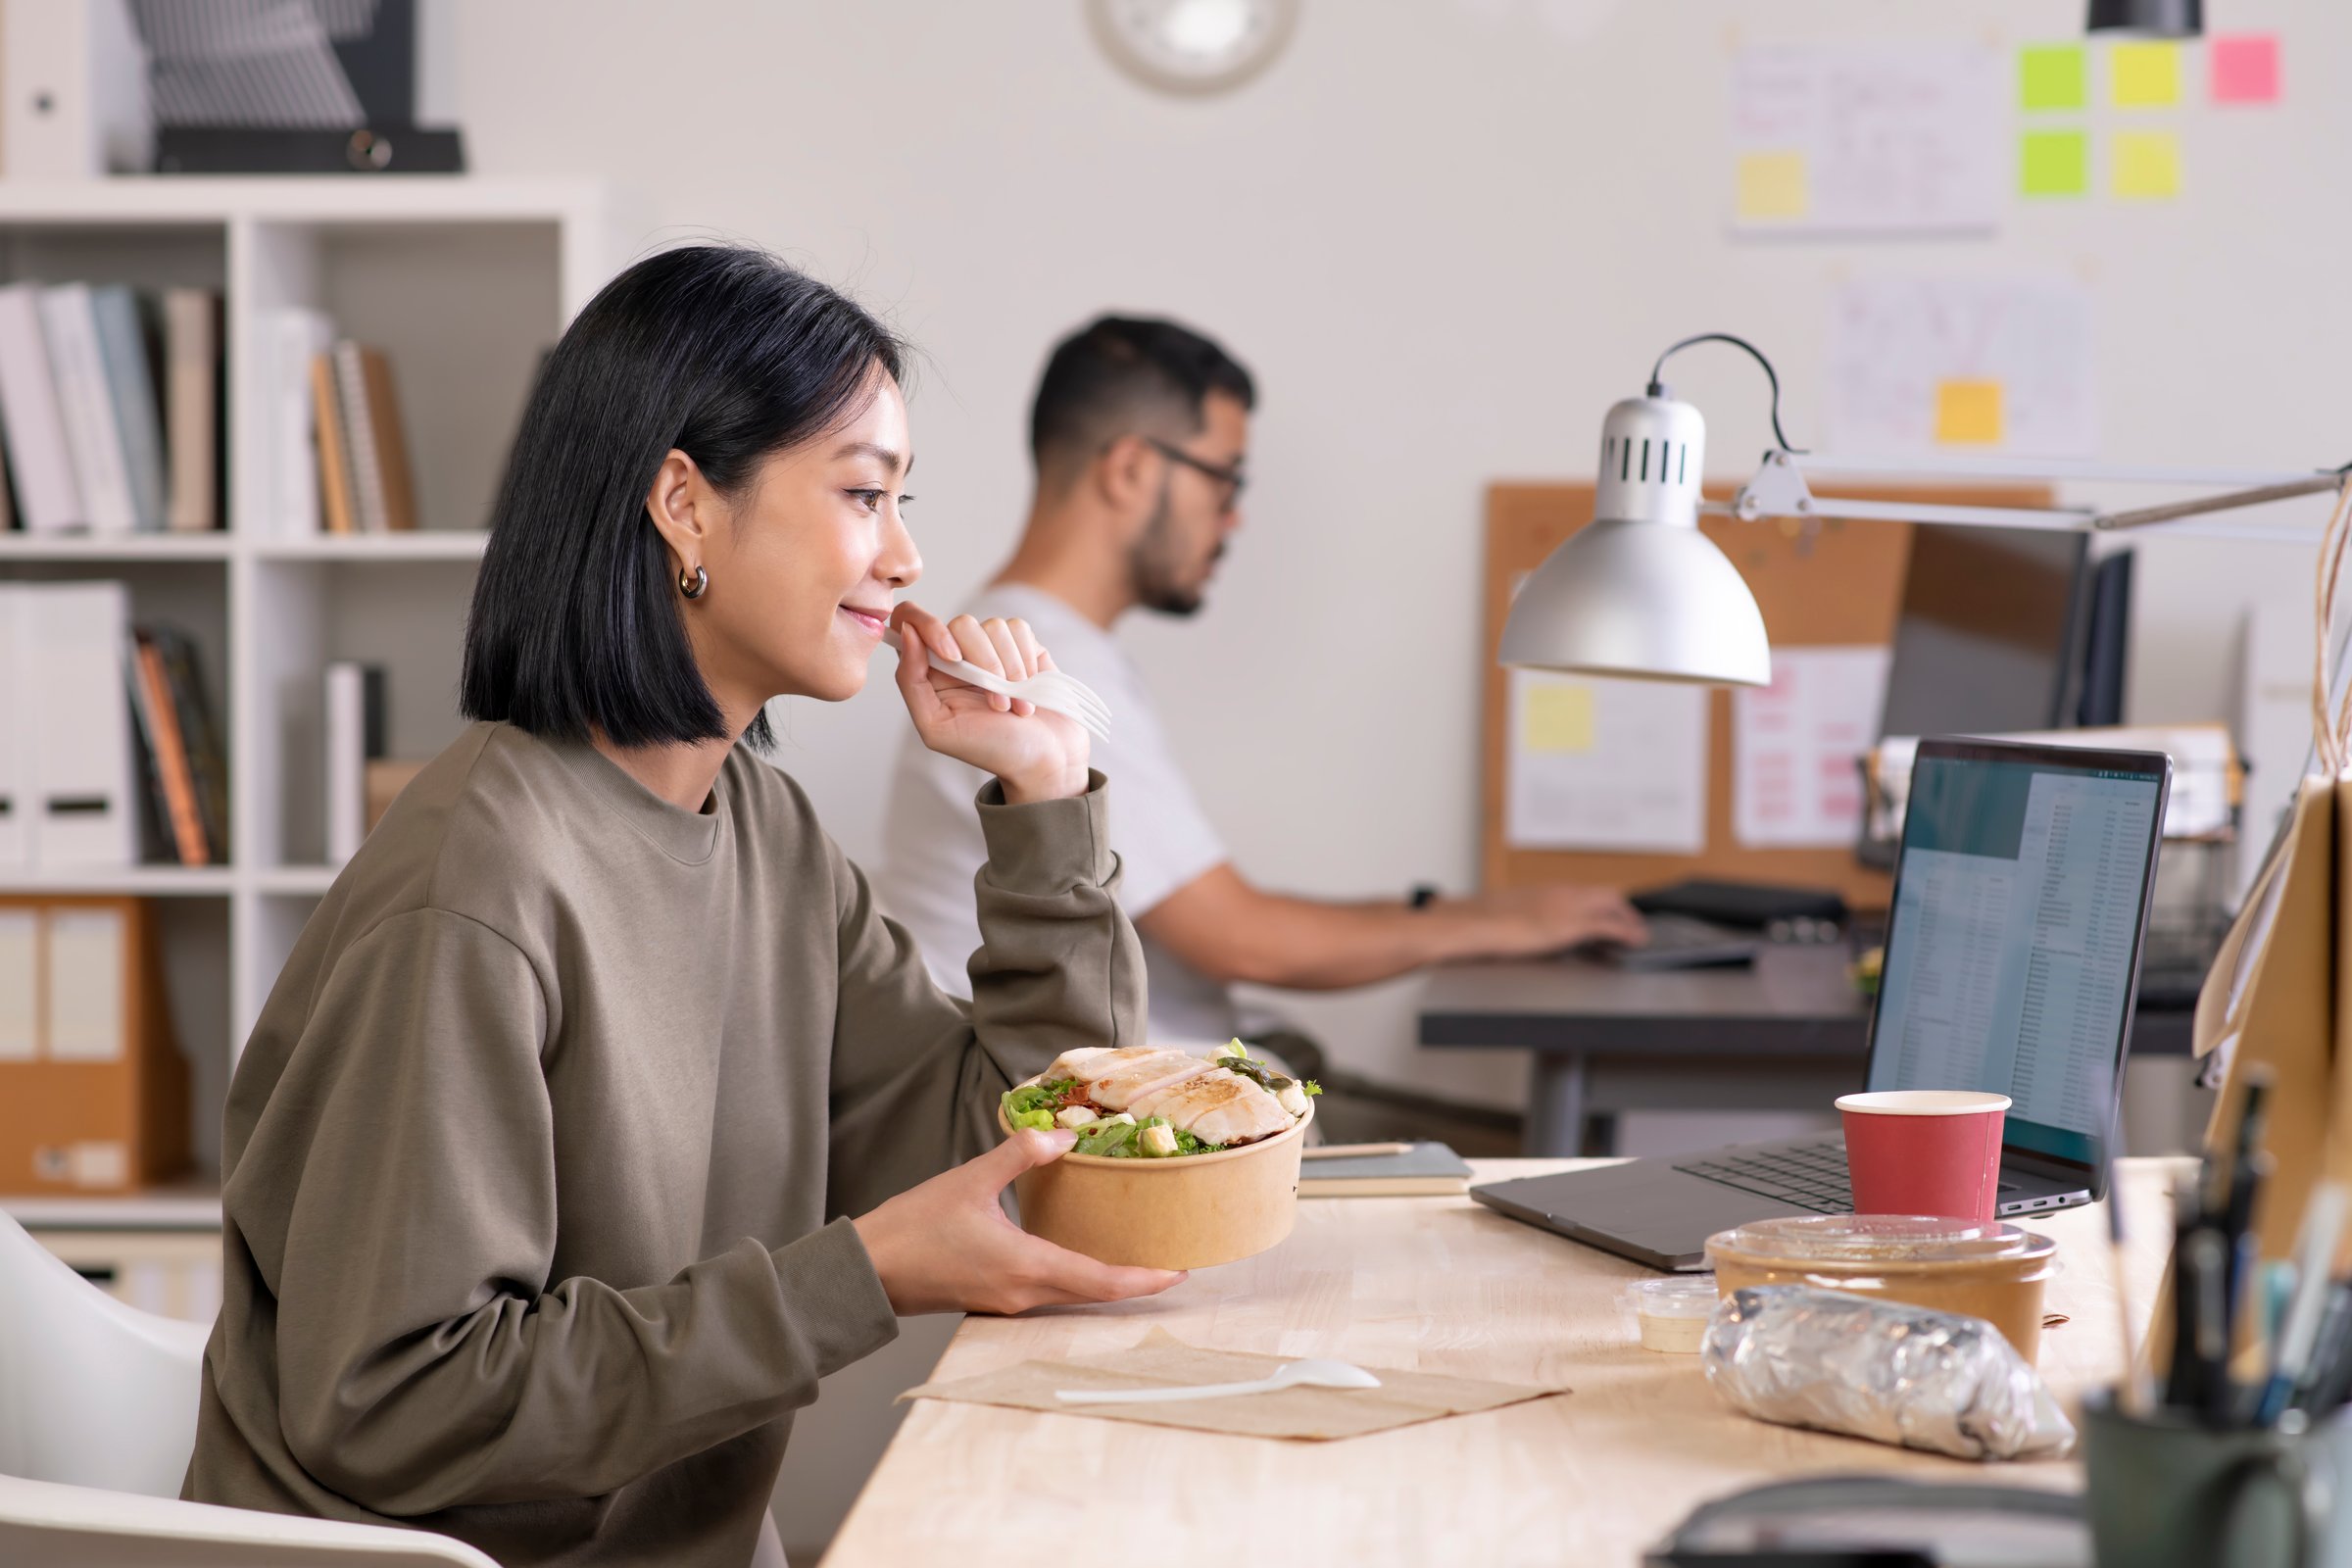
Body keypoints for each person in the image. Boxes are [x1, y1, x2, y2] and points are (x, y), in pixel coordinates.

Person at [183, 247, 1179, 1568]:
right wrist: (861, 1277)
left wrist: (1047, 797)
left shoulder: (764, 834)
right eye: (866, 495)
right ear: (684, 505)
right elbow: (394, 1404)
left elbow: (1024, 1147)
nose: (907, 554)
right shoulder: (473, 892)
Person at [878, 316, 1645, 1047]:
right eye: (1225, 481)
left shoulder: (1040, 643)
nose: (1235, 519)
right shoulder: (1041, 667)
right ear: (1132, 470)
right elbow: (1241, 941)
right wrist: (1501, 924)